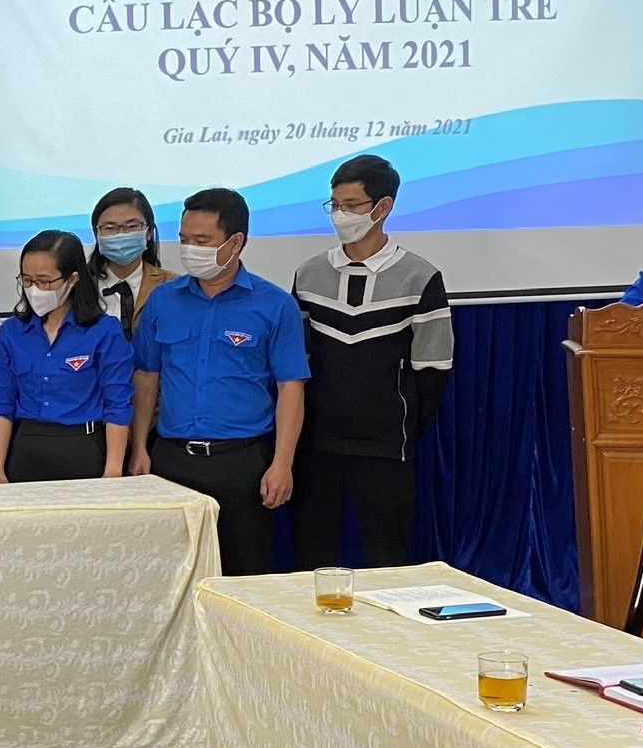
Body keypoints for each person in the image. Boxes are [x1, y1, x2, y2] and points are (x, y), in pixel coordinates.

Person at [127, 188, 310, 575]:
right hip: (172, 460)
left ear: (235, 242)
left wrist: (282, 464)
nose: (189, 249)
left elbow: (290, 388)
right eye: (184, 239)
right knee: (171, 574)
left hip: (242, 462)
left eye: (202, 240)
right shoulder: (163, 300)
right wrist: (139, 447)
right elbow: (146, 377)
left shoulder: (275, 305)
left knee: (245, 574)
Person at [288, 156, 453, 569]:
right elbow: (297, 361)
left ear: (383, 207)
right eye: (334, 204)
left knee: (387, 559)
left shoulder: (420, 276)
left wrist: (399, 425)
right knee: (313, 558)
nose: (340, 214)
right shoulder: (308, 274)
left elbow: (433, 369)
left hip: (386, 447)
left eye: (351, 205)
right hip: (317, 444)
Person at [0, 231, 133, 481]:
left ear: (72, 279)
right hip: (27, 449)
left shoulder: (103, 331)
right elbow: (2, 403)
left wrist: (113, 472)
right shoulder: (11, 332)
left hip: (84, 446)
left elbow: (118, 404)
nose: (34, 289)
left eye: (44, 281)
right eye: (27, 280)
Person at [89, 187, 176, 336]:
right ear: (97, 233)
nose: (121, 234)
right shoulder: (80, 287)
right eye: (110, 227)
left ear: (149, 231)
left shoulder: (171, 285)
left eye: (132, 226)